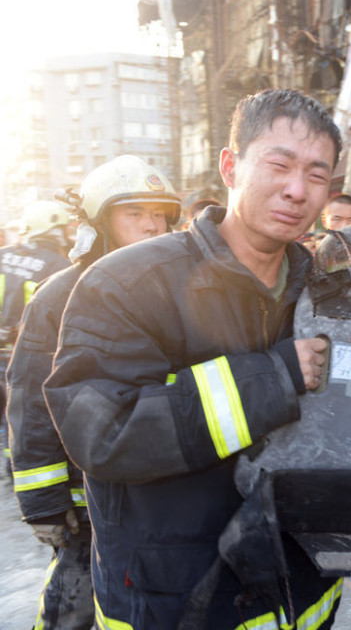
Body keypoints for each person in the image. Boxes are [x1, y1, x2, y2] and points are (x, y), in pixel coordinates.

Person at [44, 89, 344, 627]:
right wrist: (273, 377)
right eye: (279, 165)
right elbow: (103, 434)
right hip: (176, 600)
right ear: (230, 166)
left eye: (317, 176)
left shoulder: (328, 290)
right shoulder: (128, 282)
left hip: (301, 594)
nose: (297, 190)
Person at [7, 155, 179, 629]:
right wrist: (44, 499)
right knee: (75, 604)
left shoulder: (177, 289)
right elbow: (30, 400)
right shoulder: (59, 296)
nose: (152, 226)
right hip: (85, 504)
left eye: (160, 214)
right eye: (135, 214)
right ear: (101, 221)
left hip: (155, 491)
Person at [0, 201, 71, 479]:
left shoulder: (2, 255)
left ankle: (12, 467)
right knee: (24, 420)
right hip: (28, 360)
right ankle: (20, 472)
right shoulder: (61, 266)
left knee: (8, 420)